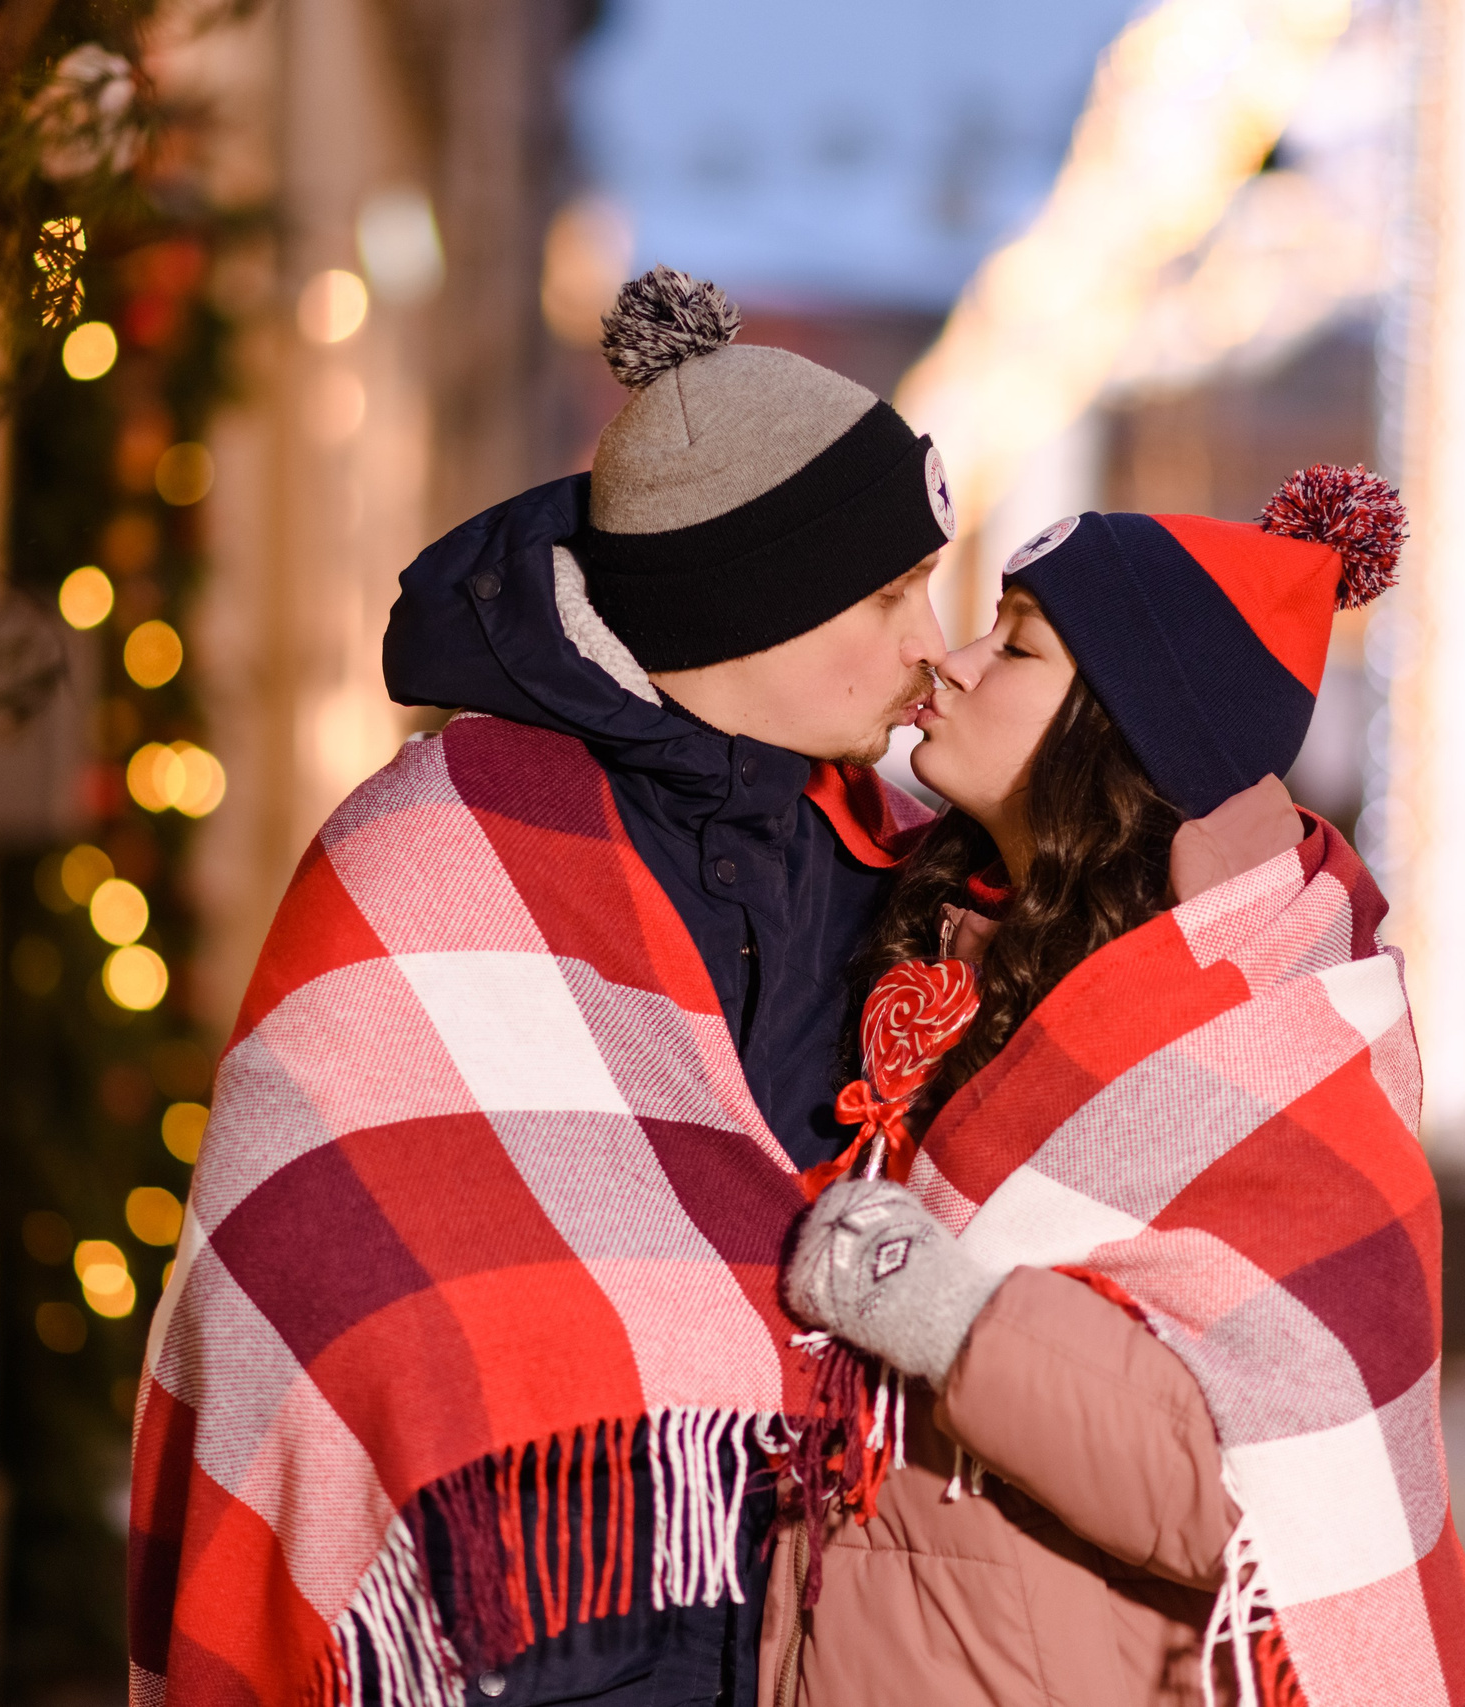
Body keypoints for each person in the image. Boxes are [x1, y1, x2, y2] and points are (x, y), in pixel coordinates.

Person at [127, 269, 960, 1707]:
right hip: (514, 1631)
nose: (929, 643)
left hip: (838, 1615)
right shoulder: (445, 839)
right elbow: (307, 1240)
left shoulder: (908, 869)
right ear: (747, 604)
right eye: (889, 594)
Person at [773, 482, 1465, 1707]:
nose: (948, 666)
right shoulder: (944, 937)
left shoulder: (1248, 1051)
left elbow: (1233, 1488)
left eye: (1013, 646)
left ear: (1119, 728)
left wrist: (941, 1309)